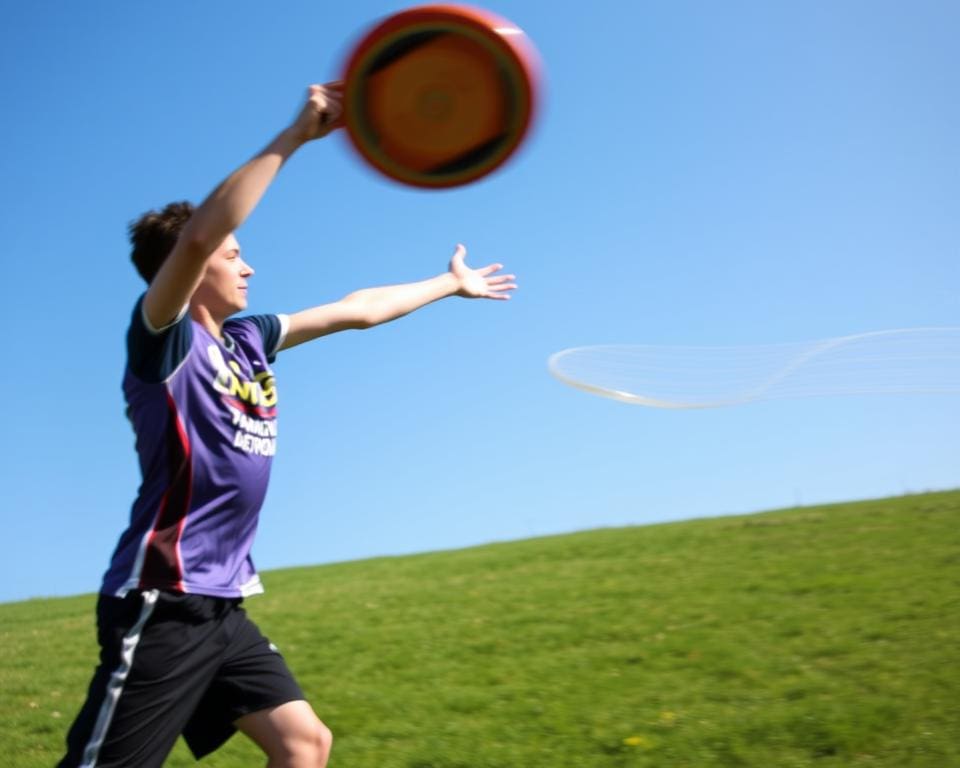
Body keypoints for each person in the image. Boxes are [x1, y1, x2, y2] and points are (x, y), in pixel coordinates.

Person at [59, 82, 517, 768]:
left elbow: (356, 309)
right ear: (186, 267)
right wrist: (295, 136)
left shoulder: (248, 338)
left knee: (306, 743)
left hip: (222, 605)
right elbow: (200, 234)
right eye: (234, 253)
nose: (248, 264)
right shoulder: (164, 341)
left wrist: (449, 284)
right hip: (163, 601)